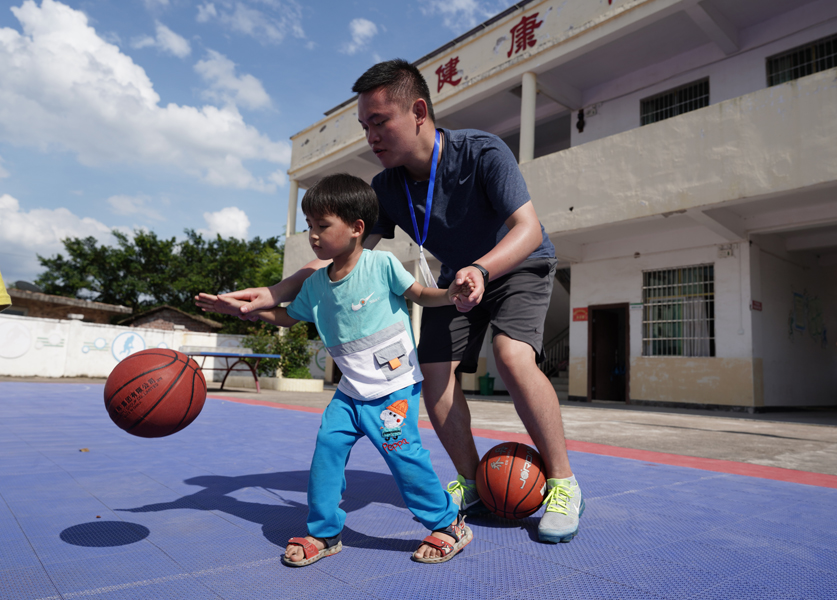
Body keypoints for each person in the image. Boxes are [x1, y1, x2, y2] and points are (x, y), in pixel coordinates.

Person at [214, 59, 584, 544]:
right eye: (365, 125)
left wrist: (482, 268)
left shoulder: (481, 152)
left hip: (517, 264)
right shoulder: (385, 189)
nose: (372, 135)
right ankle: (471, 482)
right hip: (456, 280)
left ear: (418, 111)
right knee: (433, 372)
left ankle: (562, 483)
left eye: (380, 121)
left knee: (512, 356)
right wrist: (275, 293)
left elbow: (528, 228)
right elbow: (342, 261)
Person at [197, 174, 473, 566]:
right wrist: (244, 310)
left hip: (394, 389)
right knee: (326, 452)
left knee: (402, 453)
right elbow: (286, 317)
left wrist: (449, 294)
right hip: (349, 394)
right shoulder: (314, 285)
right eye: (309, 226)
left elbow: (420, 295)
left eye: (322, 225)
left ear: (357, 228)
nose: (313, 235)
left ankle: (449, 524)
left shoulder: (381, 264)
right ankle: (324, 532)